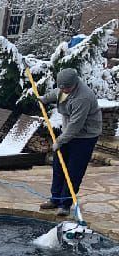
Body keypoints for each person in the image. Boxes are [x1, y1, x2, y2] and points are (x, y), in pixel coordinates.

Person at [38, 68, 102, 217]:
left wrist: (59, 141)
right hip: (69, 132)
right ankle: (55, 199)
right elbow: (56, 93)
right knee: (59, 166)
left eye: (67, 88)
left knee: (74, 171)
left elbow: (76, 125)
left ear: (75, 84)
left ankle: (65, 204)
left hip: (85, 136)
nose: (64, 90)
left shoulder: (83, 97)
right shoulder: (63, 89)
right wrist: (44, 99)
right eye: (62, 87)